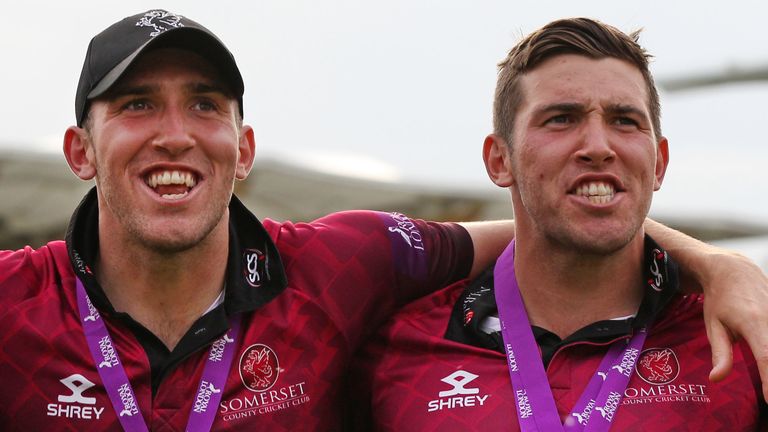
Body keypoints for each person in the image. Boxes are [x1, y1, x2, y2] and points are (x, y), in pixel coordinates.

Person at [0, 9, 764, 431]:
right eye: (136, 105)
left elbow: (556, 218)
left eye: (205, 104)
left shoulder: (342, 266)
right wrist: (719, 261)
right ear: (79, 150)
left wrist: (724, 267)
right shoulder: (11, 308)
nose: (175, 133)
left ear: (244, 150)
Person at [351, 18, 767, 431]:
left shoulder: (746, 339)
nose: (598, 148)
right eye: (561, 119)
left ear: (659, 162)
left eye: (624, 120)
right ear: (500, 160)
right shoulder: (396, 350)